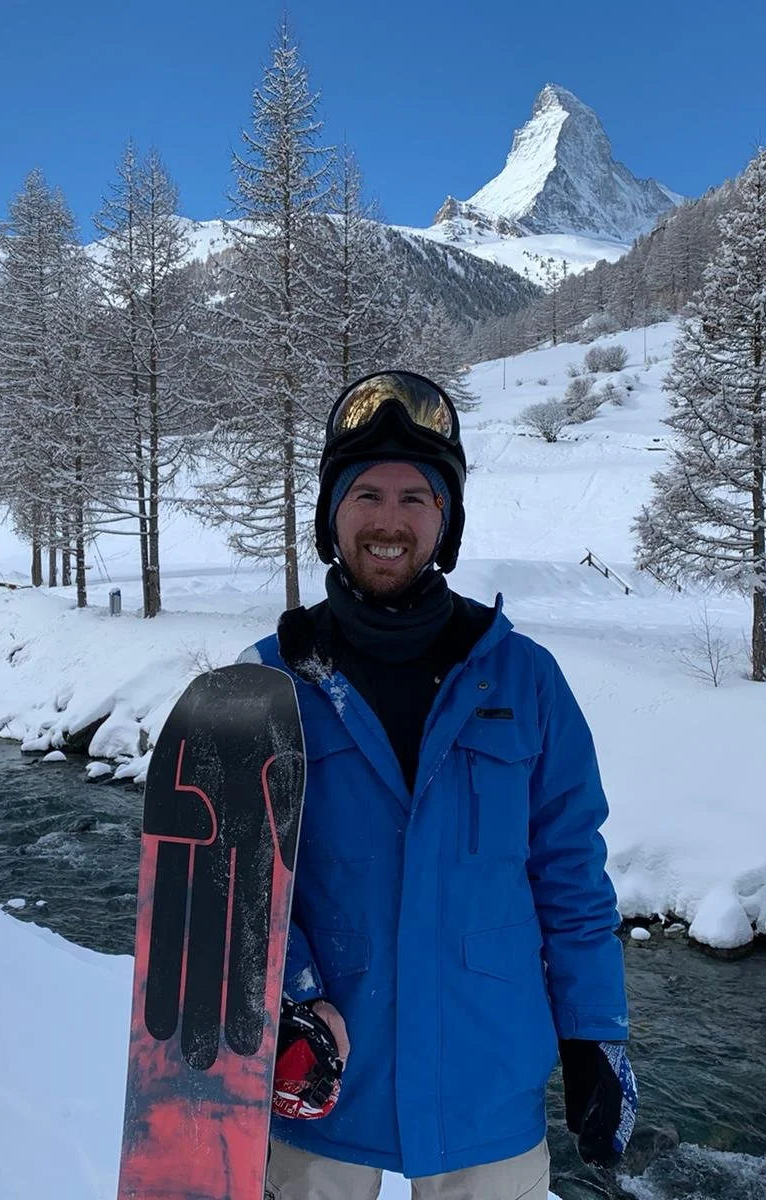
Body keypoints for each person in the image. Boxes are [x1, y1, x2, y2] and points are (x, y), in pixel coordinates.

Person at [248, 371, 636, 1200]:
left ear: (446, 519)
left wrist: (594, 1031)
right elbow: (238, 878)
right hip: (317, 1078)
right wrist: (292, 993)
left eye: (416, 498)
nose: (389, 521)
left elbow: (570, 872)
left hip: (485, 1086)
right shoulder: (269, 683)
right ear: (331, 516)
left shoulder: (524, 680)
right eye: (366, 495)